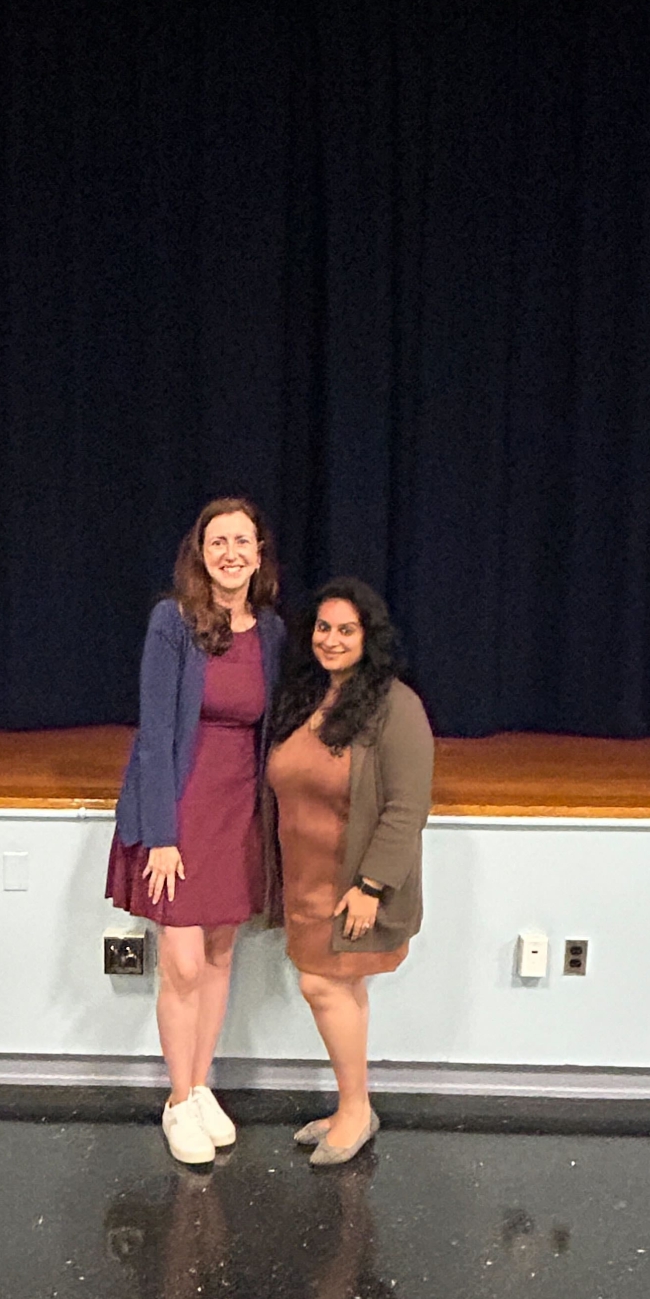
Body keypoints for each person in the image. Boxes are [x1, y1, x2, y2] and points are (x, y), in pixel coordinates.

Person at [108, 498, 285, 1165]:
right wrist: (161, 834)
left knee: (219, 955)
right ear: (201, 553)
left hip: (240, 811)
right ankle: (178, 1100)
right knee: (181, 964)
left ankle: (202, 1084)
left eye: (243, 541)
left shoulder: (271, 631)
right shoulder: (174, 622)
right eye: (219, 542)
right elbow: (155, 733)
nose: (231, 553)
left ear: (259, 554)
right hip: (181, 810)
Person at [266, 578, 434, 1166]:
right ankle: (351, 1107)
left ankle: (356, 1111)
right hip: (304, 879)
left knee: (324, 986)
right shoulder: (307, 697)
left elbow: (407, 807)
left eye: (346, 630)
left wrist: (370, 886)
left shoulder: (395, 705)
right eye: (323, 627)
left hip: (350, 884)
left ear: (369, 637)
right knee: (340, 988)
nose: (331, 640)